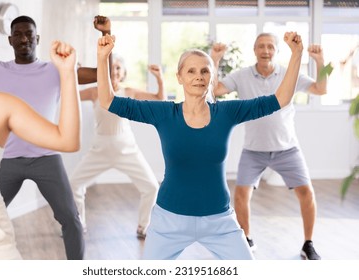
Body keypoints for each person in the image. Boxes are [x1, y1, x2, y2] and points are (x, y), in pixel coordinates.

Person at [95, 31, 304, 260]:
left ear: (212, 78)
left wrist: (296, 54)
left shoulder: (226, 112)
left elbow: (280, 99)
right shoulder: (163, 113)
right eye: (191, 71)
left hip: (220, 221)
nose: (198, 76)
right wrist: (102, 57)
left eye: (205, 71)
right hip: (169, 221)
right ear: (180, 77)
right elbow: (108, 101)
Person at [0, 15, 110, 260]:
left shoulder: (56, 69)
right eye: (18, 34)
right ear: (10, 39)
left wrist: (105, 35)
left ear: (37, 38)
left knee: (70, 218)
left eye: (29, 34)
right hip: (7, 160)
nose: (24, 38)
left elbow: (102, 75)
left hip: (46, 158)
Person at [210, 33, 327, 260]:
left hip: (287, 148)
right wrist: (215, 59)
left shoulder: (288, 73)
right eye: (261, 46)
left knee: (307, 193)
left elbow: (320, 89)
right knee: (241, 194)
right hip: (254, 150)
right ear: (254, 50)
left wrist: (320, 62)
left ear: (276, 50)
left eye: (270, 46)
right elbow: (214, 90)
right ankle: (247, 238)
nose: (266, 50)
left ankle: (308, 244)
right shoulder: (242, 75)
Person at [70, 54, 164, 238]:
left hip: (127, 150)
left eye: (118, 68)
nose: (114, 70)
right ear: (104, 71)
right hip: (99, 150)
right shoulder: (95, 91)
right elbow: (68, 93)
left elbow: (159, 98)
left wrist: (159, 77)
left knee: (152, 187)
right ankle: (79, 224)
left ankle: (143, 226)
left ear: (123, 73)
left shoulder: (128, 92)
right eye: (111, 67)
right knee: (74, 184)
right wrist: (72, 73)